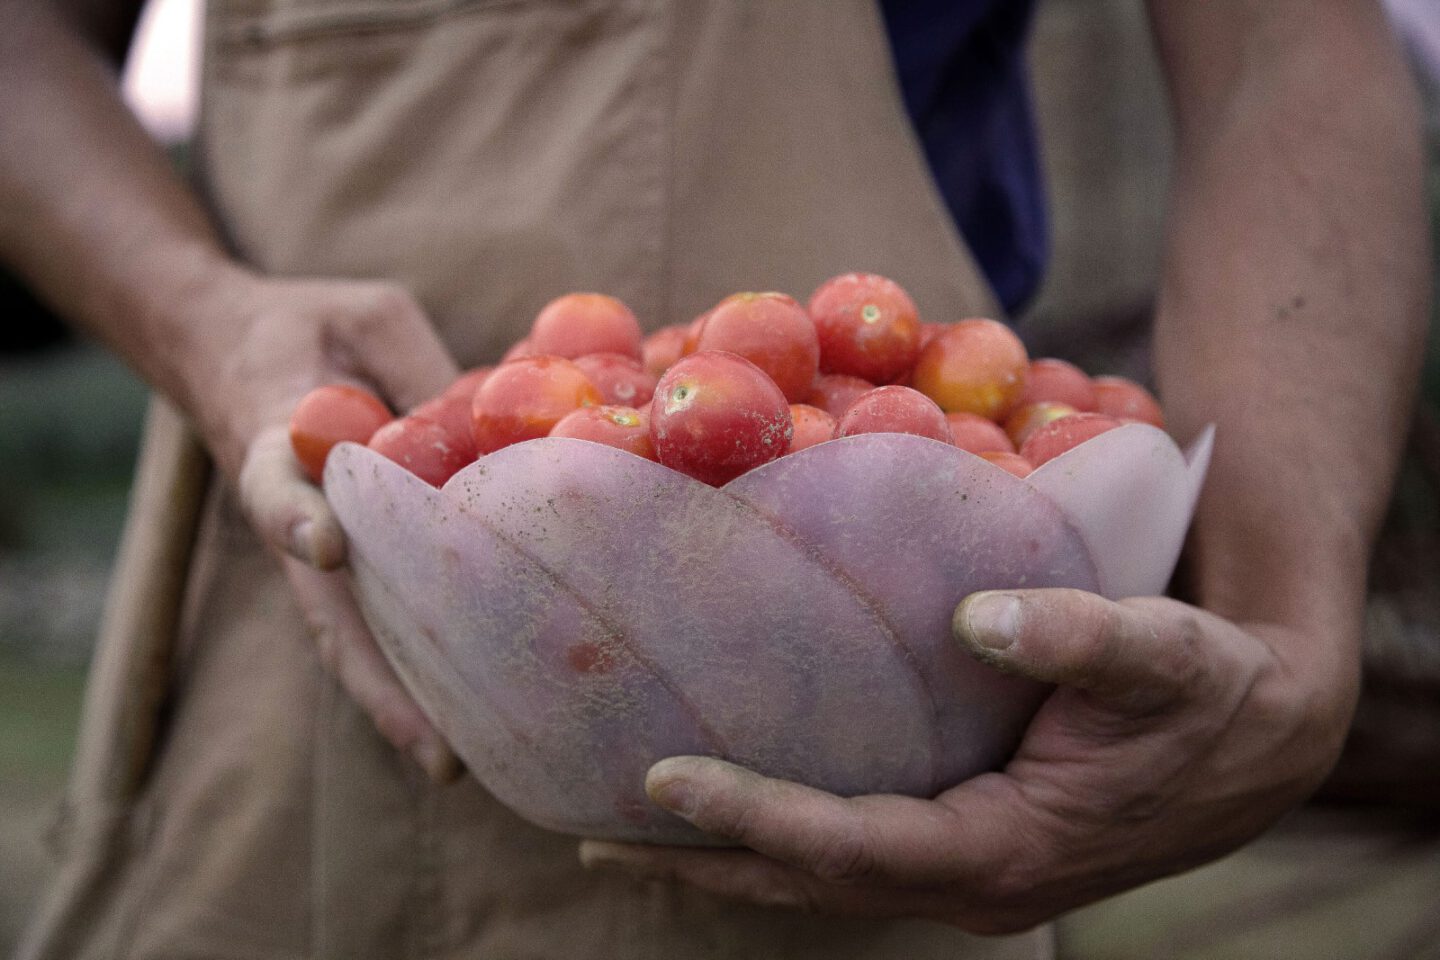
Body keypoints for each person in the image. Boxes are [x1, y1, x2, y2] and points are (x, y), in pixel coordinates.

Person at [0, 0, 1428, 957]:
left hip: (913, 688)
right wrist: (201, 316)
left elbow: (1284, 51)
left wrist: (1288, 623)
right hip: (312, 639)